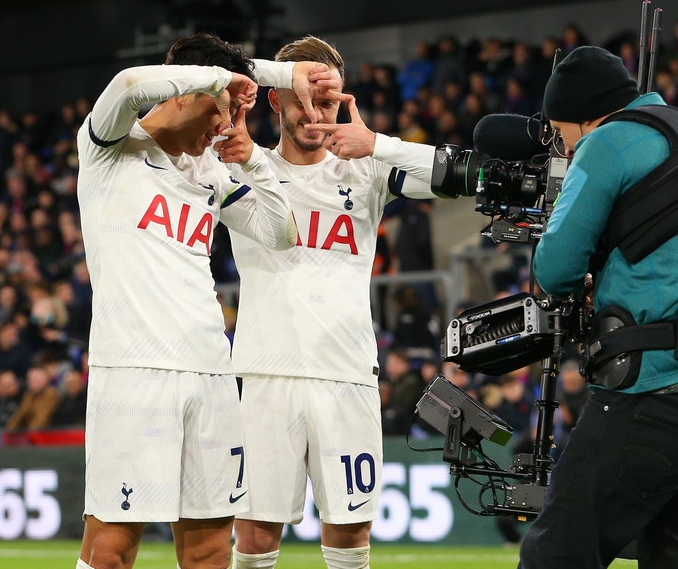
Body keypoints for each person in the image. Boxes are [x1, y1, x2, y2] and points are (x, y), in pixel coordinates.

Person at [76, 33, 314, 569]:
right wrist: (220, 80)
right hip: (134, 371)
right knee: (111, 550)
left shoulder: (210, 172)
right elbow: (128, 84)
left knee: (210, 551)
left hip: (210, 370)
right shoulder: (110, 146)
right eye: (222, 112)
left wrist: (252, 159)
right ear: (186, 91)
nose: (223, 128)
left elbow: (281, 232)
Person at [520, 46, 678, 568]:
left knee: (556, 554)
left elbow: (555, 268)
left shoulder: (606, 143)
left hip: (659, 387)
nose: (565, 147)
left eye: (563, 134)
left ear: (584, 116)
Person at [227, 36, 438, 569]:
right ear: (276, 98)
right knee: (253, 538)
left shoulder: (365, 170)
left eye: (328, 101)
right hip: (263, 376)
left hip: (347, 376)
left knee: (350, 539)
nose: (316, 114)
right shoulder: (238, 165)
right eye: (304, 97)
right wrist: (273, 72)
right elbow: (198, 70)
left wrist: (379, 144)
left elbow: (451, 177)